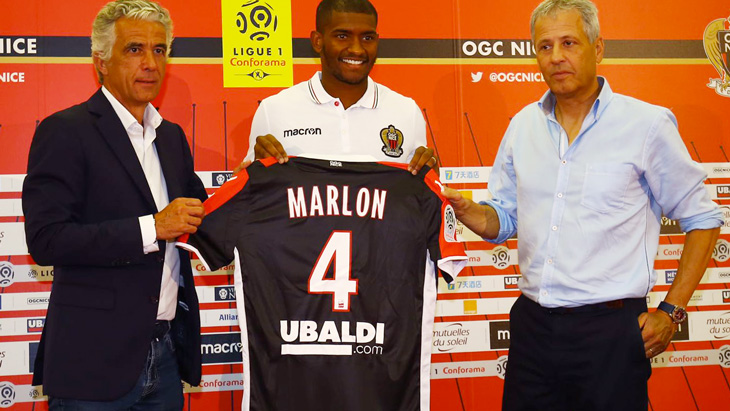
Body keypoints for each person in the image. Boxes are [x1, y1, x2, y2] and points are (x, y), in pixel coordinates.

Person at [442, 0, 723, 409]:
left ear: (598, 48)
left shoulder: (646, 125)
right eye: (544, 46)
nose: (556, 56)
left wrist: (671, 311)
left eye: (569, 43)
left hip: (612, 333)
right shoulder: (522, 126)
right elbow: (503, 219)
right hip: (533, 329)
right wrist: (467, 210)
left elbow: (703, 218)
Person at [22, 0, 207, 409]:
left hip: (166, 357)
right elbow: (46, 239)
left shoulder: (171, 137)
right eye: (134, 49)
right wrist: (152, 227)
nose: (150, 63)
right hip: (91, 362)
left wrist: (255, 177)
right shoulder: (65, 131)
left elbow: (203, 217)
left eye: (159, 50)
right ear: (101, 61)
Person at [242, 0, 436, 174]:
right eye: (343, 36)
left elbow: (421, 192)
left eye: (367, 38)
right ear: (317, 41)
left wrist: (432, 177)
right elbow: (249, 193)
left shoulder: (407, 112)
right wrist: (254, 171)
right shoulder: (273, 110)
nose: (357, 49)